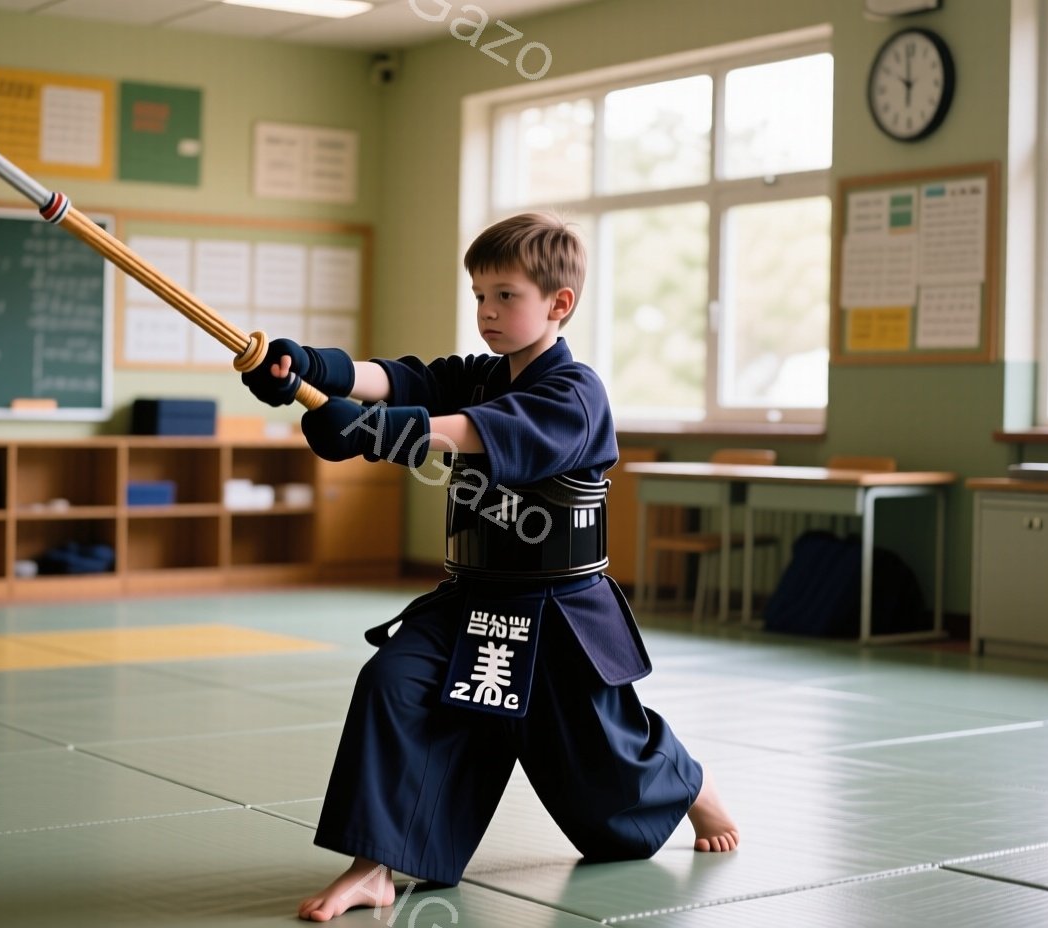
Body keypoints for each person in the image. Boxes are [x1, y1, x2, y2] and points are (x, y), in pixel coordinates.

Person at [242, 212, 737, 923]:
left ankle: (689, 783)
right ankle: (374, 865)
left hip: (561, 613)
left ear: (558, 304)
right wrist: (313, 370)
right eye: (479, 295)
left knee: (606, 776)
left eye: (505, 295)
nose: (487, 312)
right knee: (393, 683)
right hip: (472, 599)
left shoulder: (576, 394)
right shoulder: (479, 376)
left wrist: (385, 431)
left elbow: (484, 433)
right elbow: (406, 379)